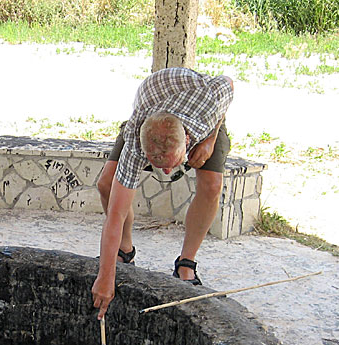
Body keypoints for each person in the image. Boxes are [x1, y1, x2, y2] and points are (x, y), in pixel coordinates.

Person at [92, 67, 234, 319]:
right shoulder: (136, 144)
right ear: (145, 153)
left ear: (187, 141)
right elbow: (114, 215)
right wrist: (105, 277)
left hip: (205, 121)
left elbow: (229, 84)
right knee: (107, 184)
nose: (168, 172)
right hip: (151, 110)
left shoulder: (208, 104)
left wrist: (211, 138)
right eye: (159, 165)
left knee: (212, 185)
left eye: (173, 163)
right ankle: (125, 251)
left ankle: (186, 264)